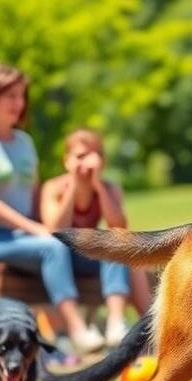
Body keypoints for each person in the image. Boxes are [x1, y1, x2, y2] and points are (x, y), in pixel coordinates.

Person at [0, 64, 104, 354]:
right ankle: (76, 331)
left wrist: (51, 227)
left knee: (90, 247)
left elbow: (35, 199)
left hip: (24, 239)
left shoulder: (24, 142)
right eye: (10, 95)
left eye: (21, 96)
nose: (18, 103)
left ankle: (102, 333)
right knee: (51, 248)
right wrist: (34, 229)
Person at [40, 128, 152, 346]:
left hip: (89, 258)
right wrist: (73, 187)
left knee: (118, 240)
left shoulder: (110, 188)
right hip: (60, 260)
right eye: (80, 156)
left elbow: (118, 225)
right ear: (67, 160)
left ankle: (117, 323)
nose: (87, 162)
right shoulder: (53, 188)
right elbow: (55, 229)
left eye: (93, 156)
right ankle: (80, 330)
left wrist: (98, 187)